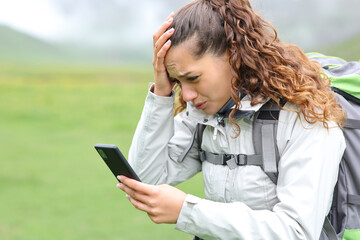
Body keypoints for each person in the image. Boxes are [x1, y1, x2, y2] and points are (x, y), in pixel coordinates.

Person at [116, 0, 346, 239]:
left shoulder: (307, 117)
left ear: (234, 54)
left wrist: (188, 211)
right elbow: (144, 181)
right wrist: (161, 93)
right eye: (177, 82)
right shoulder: (204, 116)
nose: (185, 96)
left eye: (193, 78)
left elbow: (298, 232)